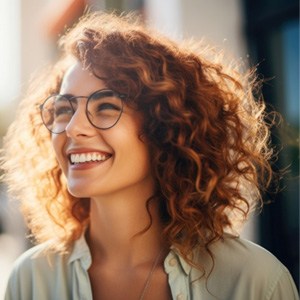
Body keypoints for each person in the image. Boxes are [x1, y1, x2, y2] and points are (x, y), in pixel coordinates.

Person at [2, 12, 298, 300]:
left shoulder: (255, 281)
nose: (73, 127)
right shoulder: (31, 279)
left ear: (166, 126)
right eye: (64, 108)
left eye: (106, 106)